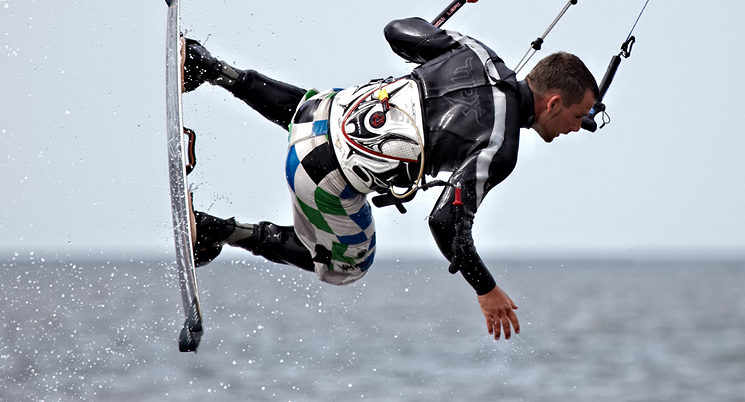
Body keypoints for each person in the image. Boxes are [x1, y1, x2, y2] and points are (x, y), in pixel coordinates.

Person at [185, 17, 598, 340]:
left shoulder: (477, 53)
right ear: (554, 101)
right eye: (577, 117)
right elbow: (444, 223)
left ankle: (210, 67)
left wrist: (434, 46)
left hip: (310, 119)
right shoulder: (500, 147)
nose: (577, 128)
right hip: (321, 178)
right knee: (349, 267)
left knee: (337, 107)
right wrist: (485, 289)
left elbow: (397, 31)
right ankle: (216, 230)